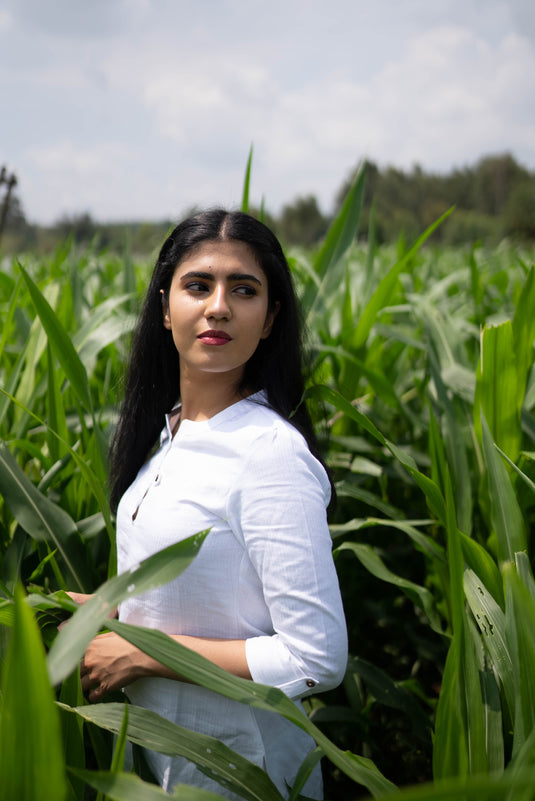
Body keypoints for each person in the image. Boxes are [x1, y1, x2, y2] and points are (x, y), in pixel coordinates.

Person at [71, 209, 348, 799]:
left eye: (243, 290)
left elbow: (316, 658)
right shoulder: (169, 431)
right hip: (162, 760)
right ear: (165, 307)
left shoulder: (269, 454)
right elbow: (201, 587)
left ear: (269, 319)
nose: (218, 306)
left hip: (242, 774)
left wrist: (148, 655)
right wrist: (112, 610)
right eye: (198, 285)